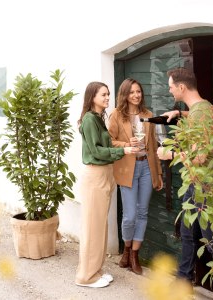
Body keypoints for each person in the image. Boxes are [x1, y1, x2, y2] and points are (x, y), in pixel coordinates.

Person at [157, 68, 213, 300]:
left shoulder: (201, 113)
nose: (169, 89)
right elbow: (198, 116)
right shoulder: (201, 108)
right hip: (195, 183)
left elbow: (199, 157)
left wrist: (168, 153)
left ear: (182, 87)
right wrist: (179, 113)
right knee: (187, 233)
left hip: (204, 185)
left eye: (171, 86)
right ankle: (183, 280)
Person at [75, 81, 138, 288]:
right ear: (92, 96)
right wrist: (124, 152)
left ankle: (96, 269)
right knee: (93, 228)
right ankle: (86, 277)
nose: (107, 98)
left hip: (104, 174)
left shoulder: (98, 118)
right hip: (95, 175)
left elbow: (107, 144)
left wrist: (127, 145)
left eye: (108, 95)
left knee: (100, 225)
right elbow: (96, 152)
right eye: (103, 95)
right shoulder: (89, 120)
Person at [108, 78, 163, 275]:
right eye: (131, 92)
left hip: (146, 168)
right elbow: (109, 142)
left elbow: (154, 146)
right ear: (125, 94)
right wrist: (126, 145)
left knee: (142, 213)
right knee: (130, 215)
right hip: (127, 169)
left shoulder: (148, 115)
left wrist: (158, 174)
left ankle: (134, 255)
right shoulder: (116, 115)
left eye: (138, 91)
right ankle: (126, 249)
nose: (136, 95)